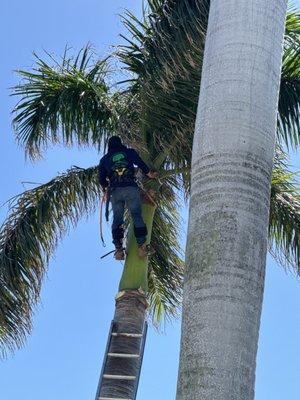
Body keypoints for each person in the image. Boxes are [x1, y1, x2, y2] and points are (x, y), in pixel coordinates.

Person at [98, 136, 157, 260]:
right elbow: (139, 163)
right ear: (120, 143)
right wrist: (149, 174)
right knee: (136, 215)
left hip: (115, 191)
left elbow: (101, 179)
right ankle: (141, 247)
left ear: (109, 146)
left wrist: (105, 190)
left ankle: (119, 250)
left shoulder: (104, 159)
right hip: (130, 188)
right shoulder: (128, 152)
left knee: (117, 220)